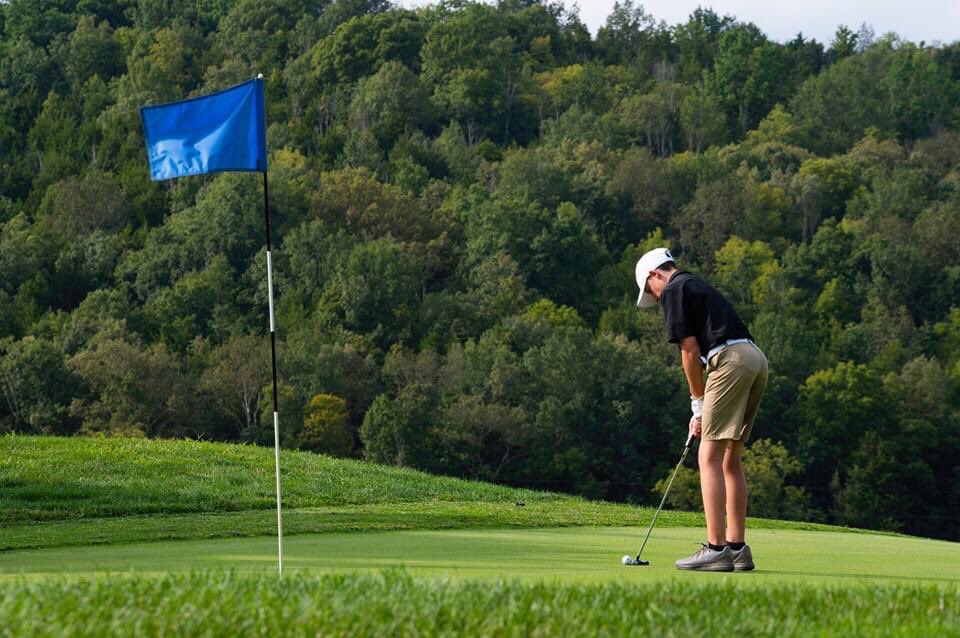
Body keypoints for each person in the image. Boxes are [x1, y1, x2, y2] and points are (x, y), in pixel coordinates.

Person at [635, 247, 768, 572]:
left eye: (650, 290)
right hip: (754, 359)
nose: (654, 298)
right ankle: (738, 550)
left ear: (655, 275)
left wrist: (698, 404)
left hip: (729, 362)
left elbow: (689, 352)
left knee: (707, 456)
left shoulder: (674, 288)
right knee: (729, 458)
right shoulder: (695, 284)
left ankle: (716, 549)